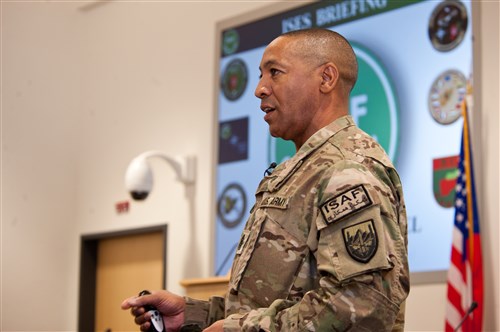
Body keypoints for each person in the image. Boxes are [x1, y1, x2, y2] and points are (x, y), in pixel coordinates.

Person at [122, 28, 409, 332]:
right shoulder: (299, 171)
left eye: (275, 72)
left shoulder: (347, 169)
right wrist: (192, 315)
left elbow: (363, 306)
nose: (259, 88)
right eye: (261, 75)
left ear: (326, 78)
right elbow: (261, 305)